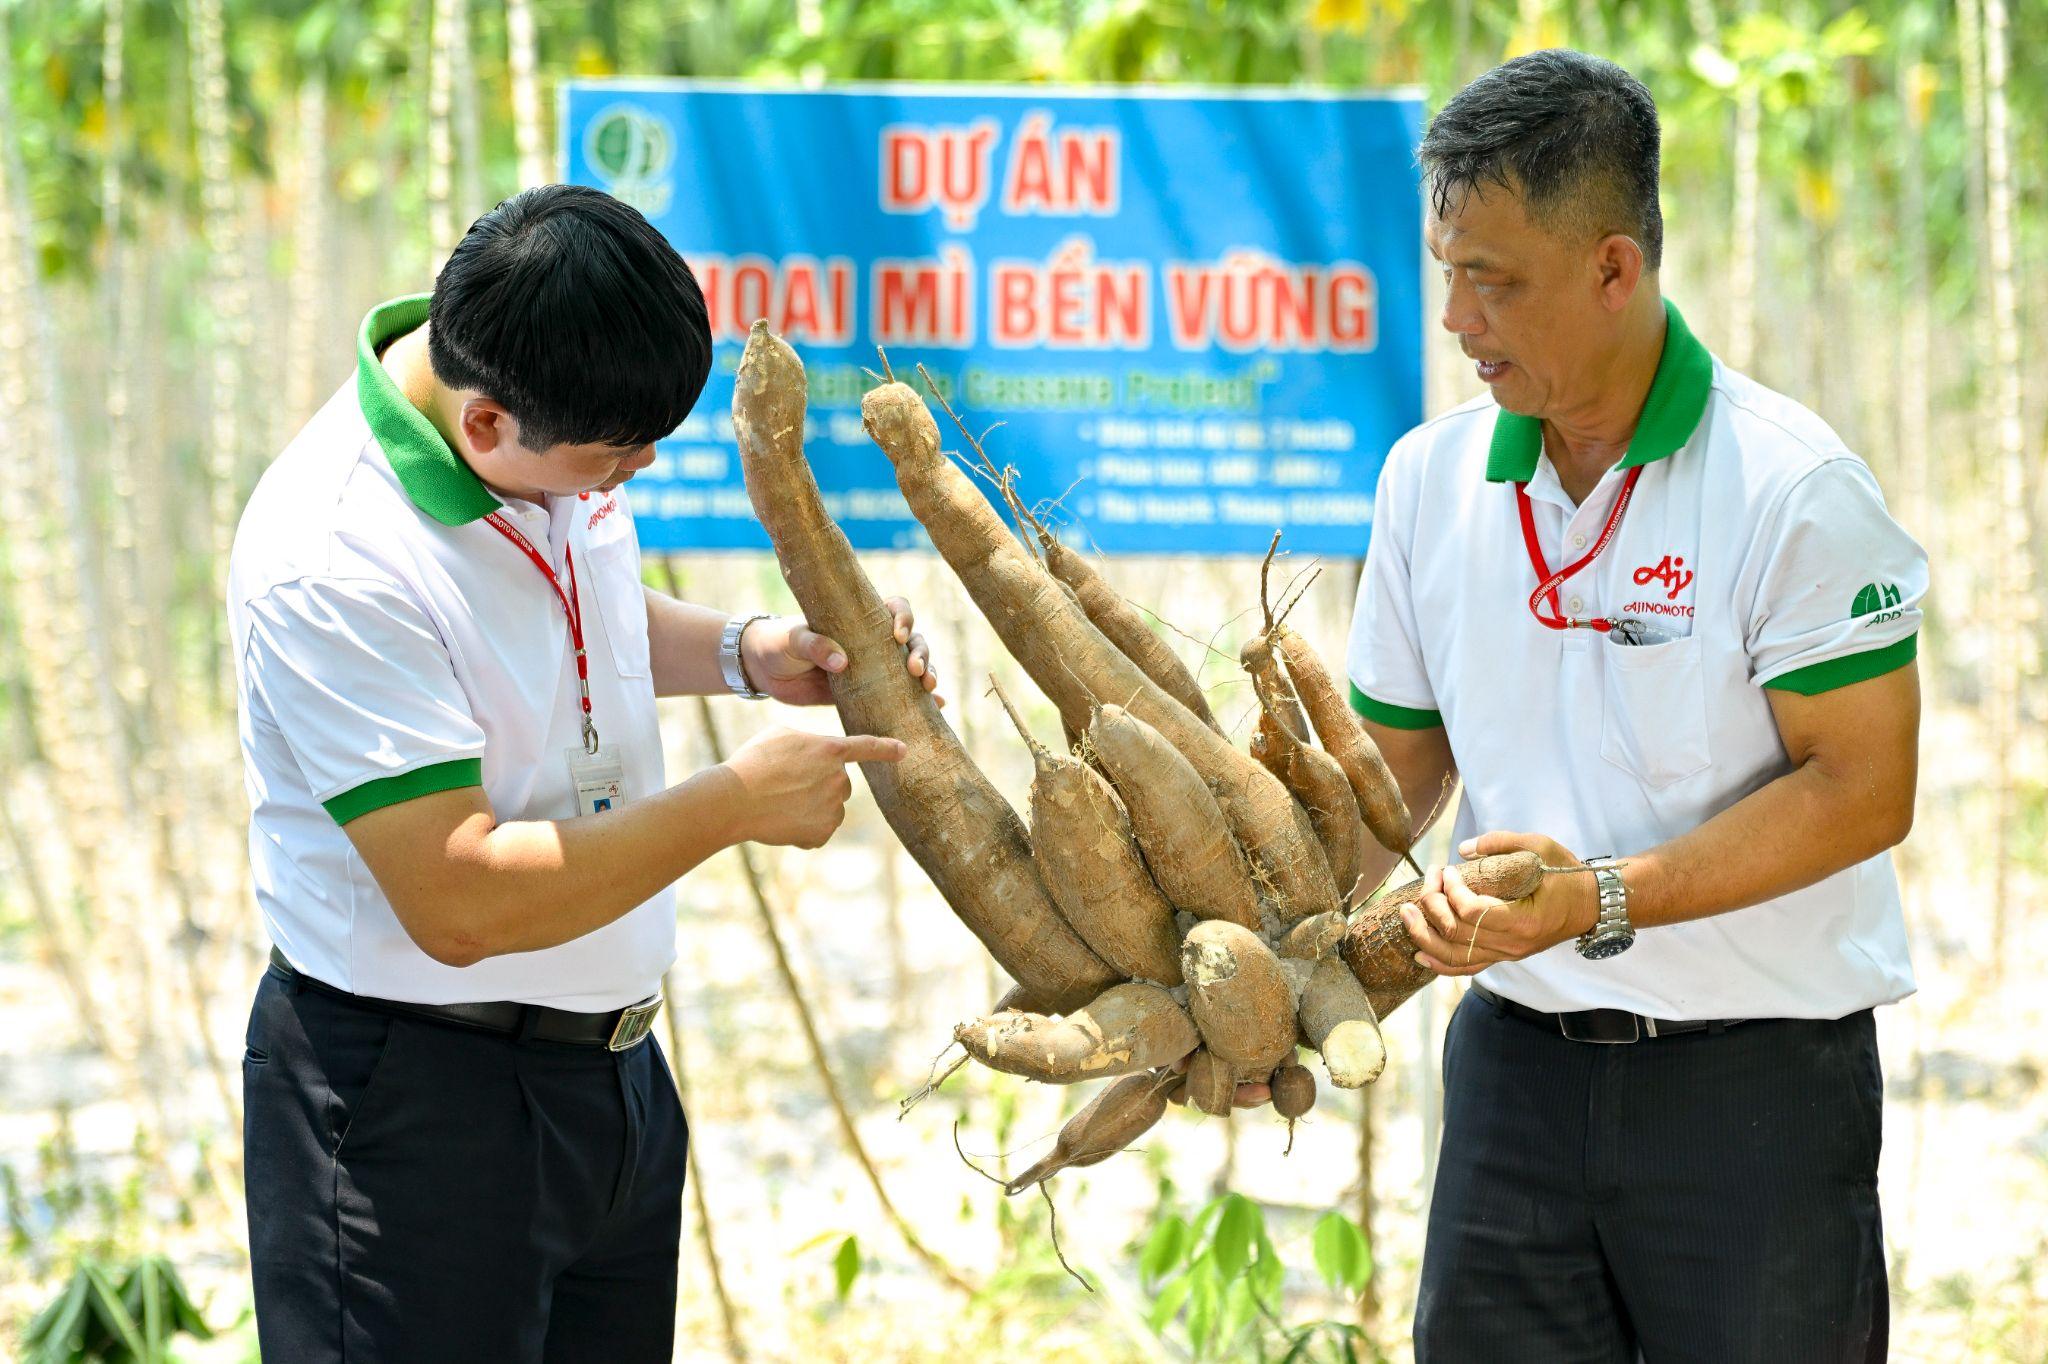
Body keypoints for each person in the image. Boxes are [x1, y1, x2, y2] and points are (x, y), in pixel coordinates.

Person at [228, 184, 940, 1362]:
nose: (636, 472)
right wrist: (730, 804)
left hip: (608, 1079)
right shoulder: (332, 559)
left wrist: (741, 652)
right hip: (419, 1109)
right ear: (489, 425)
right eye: (615, 458)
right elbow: (460, 898)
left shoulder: (544, 429)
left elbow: (571, 613)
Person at [1343, 51, 1922, 1362]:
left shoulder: (1792, 489)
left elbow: (1863, 788)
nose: (1456, 318)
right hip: (1516, 1072)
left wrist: (1597, 896)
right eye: (1448, 272)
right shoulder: (1428, 483)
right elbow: (1392, 775)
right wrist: (1279, 943)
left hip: (1758, 1085)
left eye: (1494, 280)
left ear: (1615, 269)